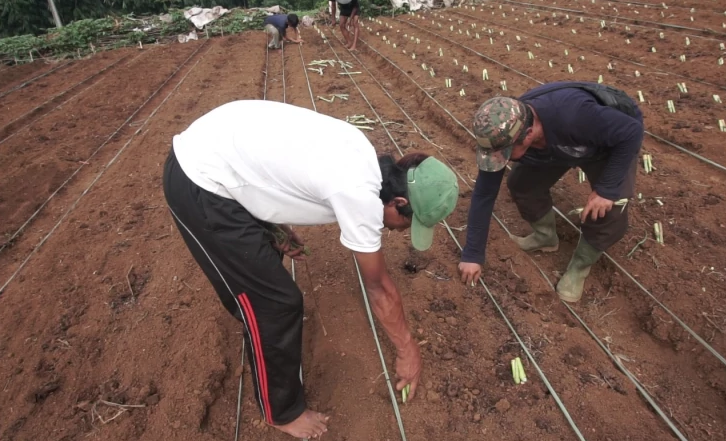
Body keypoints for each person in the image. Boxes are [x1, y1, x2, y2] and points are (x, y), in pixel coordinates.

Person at [163, 100, 459, 439]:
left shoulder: (363, 155)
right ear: (399, 203)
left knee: (267, 272)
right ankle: (281, 412)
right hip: (200, 180)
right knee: (274, 303)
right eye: (407, 223)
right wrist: (408, 350)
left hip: (216, 149)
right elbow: (379, 287)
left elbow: (275, 166)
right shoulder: (360, 196)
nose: (401, 231)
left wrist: (273, 225)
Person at [458, 82, 643, 303]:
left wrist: (607, 190)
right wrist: (472, 254)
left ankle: (579, 267)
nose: (499, 158)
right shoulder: (502, 132)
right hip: (555, 146)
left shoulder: (574, 115)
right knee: (522, 183)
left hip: (608, 143)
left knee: (609, 208)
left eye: (505, 153)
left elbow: (631, 132)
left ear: (528, 134)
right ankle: (545, 237)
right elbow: (484, 193)